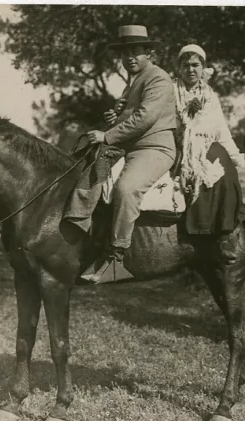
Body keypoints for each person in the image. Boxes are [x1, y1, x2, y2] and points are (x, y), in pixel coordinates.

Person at [86, 25, 177, 270]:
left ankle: (117, 255)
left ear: (149, 54)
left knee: (127, 188)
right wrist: (113, 119)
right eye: (125, 53)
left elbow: (145, 118)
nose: (130, 58)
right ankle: (89, 241)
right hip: (128, 148)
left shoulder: (158, 78)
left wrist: (107, 135)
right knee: (90, 175)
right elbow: (131, 117)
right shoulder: (133, 82)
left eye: (136, 51)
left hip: (154, 149)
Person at [173, 43, 245, 200]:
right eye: (186, 65)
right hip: (176, 148)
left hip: (204, 149)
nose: (190, 70)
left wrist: (240, 162)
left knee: (228, 179)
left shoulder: (211, 97)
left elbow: (222, 133)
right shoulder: (170, 90)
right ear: (179, 68)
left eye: (195, 65)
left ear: (203, 67)